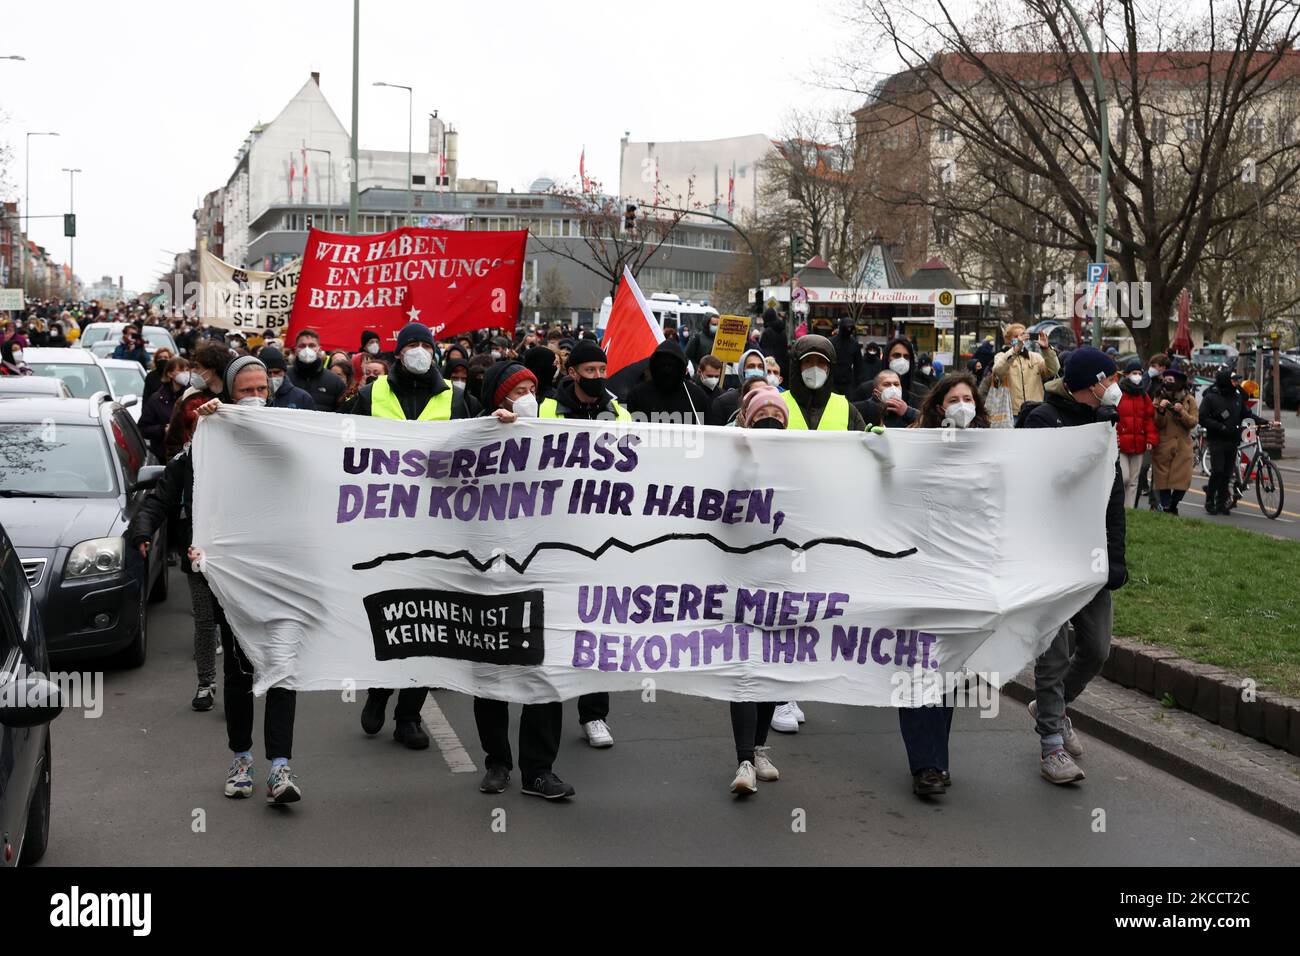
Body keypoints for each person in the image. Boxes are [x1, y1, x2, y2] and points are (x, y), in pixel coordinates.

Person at [139, 358, 303, 803]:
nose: (254, 396)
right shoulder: (204, 446)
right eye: (245, 390)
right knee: (241, 670)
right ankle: (242, 760)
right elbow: (163, 495)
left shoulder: (290, 437)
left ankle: (281, 769)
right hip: (232, 579)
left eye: (260, 389)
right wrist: (142, 532)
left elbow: (327, 474)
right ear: (230, 394)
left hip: (282, 575)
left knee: (282, 669)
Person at [351, 323, 472, 746]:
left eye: (426, 345)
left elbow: (478, 453)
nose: (419, 351)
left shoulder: (455, 399)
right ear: (398, 353)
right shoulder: (370, 396)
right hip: (381, 526)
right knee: (386, 616)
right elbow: (344, 452)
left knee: (428, 622)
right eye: (411, 345)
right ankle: (378, 690)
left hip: (437, 529)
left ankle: (408, 716)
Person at [1020, 347, 1128, 785]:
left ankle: (1055, 704)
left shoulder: (1106, 426)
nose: (1116, 387)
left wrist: (1116, 558)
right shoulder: (1043, 419)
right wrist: (1094, 436)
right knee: (1055, 649)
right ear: (1089, 384)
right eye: (1110, 379)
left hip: (1092, 556)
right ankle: (1052, 746)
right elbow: (1044, 485)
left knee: (1098, 646)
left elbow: (1113, 498)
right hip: (1050, 557)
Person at [471, 362, 575, 799]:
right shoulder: (474, 435)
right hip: (490, 573)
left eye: (533, 386)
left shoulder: (551, 436)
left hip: (542, 571)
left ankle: (538, 769)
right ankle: (497, 762)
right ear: (500, 399)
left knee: (544, 671)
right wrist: (492, 436)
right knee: (492, 670)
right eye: (519, 390)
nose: (529, 395)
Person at [899, 372, 990, 795]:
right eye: (954, 398)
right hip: (918, 573)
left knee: (947, 672)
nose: (961, 405)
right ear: (939, 405)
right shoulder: (915, 445)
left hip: (961, 577)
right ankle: (926, 766)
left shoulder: (989, 452)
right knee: (917, 667)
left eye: (968, 398)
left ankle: (937, 761)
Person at [727, 384, 790, 795]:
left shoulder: (800, 460)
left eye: (777, 418)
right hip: (741, 578)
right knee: (745, 670)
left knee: (771, 669)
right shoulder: (728, 454)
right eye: (762, 416)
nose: (770, 423)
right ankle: (744, 761)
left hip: (784, 578)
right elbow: (724, 513)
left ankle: (760, 748)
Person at [782, 334, 867, 431]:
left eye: (821, 362)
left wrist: (871, 437)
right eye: (807, 361)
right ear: (797, 366)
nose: (814, 368)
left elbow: (862, 442)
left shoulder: (846, 409)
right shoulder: (778, 404)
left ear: (829, 368)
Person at [165, 342, 230, 461]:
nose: (193, 371)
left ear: (212, 370)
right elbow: (174, 440)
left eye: (197, 367)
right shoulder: (190, 396)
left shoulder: (233, 397)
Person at [625, 339, 710, 425]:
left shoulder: (696, 397)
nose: (667, 370)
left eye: (672, 365)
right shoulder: (637, 395)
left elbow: (708, 432)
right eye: (663, 365)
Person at [1199, 366, 1247, 515]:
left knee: (1227, 473)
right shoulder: (1211, 397)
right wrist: (1220, 427)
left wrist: (1265, 422)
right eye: (1233, 380)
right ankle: (1210, 500)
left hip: (1232, 440)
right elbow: (1202, 418)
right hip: (1217, 440)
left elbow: (1246, 413)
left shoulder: (1237, 396)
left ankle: (1221, 503)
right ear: (1225, 381)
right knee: (1217, 471)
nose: (1235, 382)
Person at [1151, 368, 1197, 515]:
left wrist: (1182, 412)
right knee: (1163, 480)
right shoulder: (1158, 398)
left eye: (1170, 380)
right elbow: (1158, 423)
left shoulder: (1190, 400)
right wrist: (1161, 411)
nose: (1167, 383)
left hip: (1183, 447)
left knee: (1183, 482)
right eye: (1165, 380)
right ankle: (1166, 508)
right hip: (1164, 446)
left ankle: (1172, 505)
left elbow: (1193, 422)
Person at [991, 323, 1059, 416]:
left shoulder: (1035, 357)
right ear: (1008, 339)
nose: (1020, 339)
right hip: (1012, 413)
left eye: (1023, 335)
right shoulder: (1001, 356)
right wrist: (1015, 350)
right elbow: (998, 371)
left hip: (1035, 411)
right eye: (1016, 336)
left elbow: (1054, 370)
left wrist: (1046, 349)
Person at [1115, 359, 1158, 508]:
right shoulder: (1117, 393)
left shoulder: (1143, 396)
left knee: (1134, 480)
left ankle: (1129, 509)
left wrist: (1151, 440)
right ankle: (1119, 505)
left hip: (1139, 443)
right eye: (1134, 373)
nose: (1138, 376)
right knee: (1124, 477)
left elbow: (1149, 419)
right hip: (1121, 443)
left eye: (1140, 373)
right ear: (1126, 375)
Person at [138, 357, 190, 460]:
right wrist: (163, 429)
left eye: (187, 370)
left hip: (187, 455)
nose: (185, 374)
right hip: (163, 456)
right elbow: (143, 429)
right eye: (180, 370)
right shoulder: (157, 399)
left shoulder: (191, 396)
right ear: (170, 374)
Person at [288, 328, 346, 412]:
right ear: (296, 349)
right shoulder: (285, 377)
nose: (307, 349)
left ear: (319, 349)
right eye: (302, 346)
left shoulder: (334, 381)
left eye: (312, 346)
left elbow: (343, 411)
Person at [707, 348, 767, 426]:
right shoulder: (723, 402)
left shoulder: (773, 400)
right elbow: (715, 435)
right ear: (742, 370)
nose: (756, 370)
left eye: (760, 366)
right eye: (751, 366)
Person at [854, 368, 919, 428]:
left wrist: (907, 412)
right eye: (887, 384)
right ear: (876, 392)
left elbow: (926, 421)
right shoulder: (863, 409)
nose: (893, 389)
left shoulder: (907, 412)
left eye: (896, 384)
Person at [832, 317, 863, 395]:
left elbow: (858, 365)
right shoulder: (832, 342)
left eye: (850, 327)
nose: (848, 330)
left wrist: (857, 384)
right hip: (832, 381)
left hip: (848, 382)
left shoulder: (854, 344)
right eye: (847, 327)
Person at [759, 307, 790, 380]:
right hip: (783, 366)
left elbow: (765, 350)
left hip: (771, 366)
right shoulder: (783, 331)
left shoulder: (767, 332)